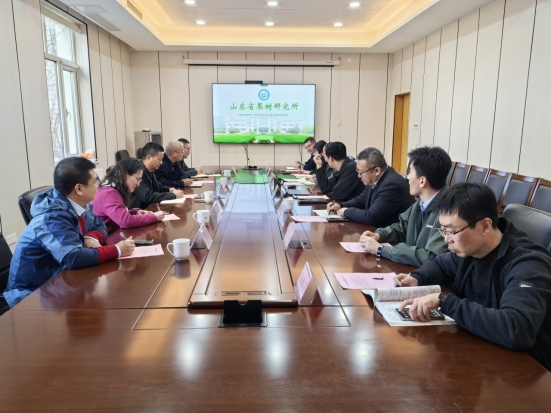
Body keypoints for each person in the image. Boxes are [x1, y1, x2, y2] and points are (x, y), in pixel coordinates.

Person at [395, 183, 551, 370]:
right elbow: (441, 264)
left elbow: (516, 329)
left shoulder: (528, 264)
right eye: (443, 231)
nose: (446, 239)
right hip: (480, 351)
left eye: (452, 232)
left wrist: (444, 300)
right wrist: (417, 277)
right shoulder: (470, 249)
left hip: (525, 369)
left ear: (485, 226)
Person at [2, 157, 135, 311]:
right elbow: (73, 257)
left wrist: (90, 237)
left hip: (59, 281)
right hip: (30, 296)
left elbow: (100, 225)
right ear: (79, 189)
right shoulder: (53, 217)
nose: (99, 186)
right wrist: (117, 250)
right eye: (95, 182)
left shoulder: (79, 206)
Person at [359, 146, 451, 266]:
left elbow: (430, 257)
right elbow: (402, 227)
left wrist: (381, 250)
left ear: (422, 181)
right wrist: (379, 235)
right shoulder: (421, 203)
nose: (407, 177)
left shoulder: (449, 211)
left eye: (410, 172)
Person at [328, 147, 414, 227]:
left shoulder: (392, 185)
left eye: (361, 172)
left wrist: (346, 211)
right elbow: (362, 199)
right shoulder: (374, 178)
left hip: (390, 235)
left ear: (376, 171)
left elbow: (371, 217)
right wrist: (341, 206)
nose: (359, 176)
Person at [92, 158, 165, 234]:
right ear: (125, 174)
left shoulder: (112, 188)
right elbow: (125, 221)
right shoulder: (108, 193)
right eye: (137, 179)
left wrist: (135, 212)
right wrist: (154, 217)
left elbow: (116, 214)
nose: (138, 184)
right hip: (105, 238)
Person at [130, 142, 184, 209]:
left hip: (150, 208)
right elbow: (147, 196)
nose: (161, 163)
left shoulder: (150, 170)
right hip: (139, 211)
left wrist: (170, 190)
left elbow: (158, 187)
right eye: (159, 159)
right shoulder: (137, 172)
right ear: (149, 157)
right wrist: (173, 195)